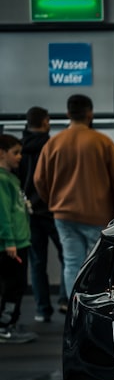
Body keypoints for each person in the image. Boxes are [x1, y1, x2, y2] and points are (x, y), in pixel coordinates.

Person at [33, 94, 114, 296]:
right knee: (97, 264)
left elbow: (39, 180)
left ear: (68, 113)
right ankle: (92, 309)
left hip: (63, 215)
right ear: (90, 114)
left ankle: (73, 308)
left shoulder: (53, 143)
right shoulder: (102, 142)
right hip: (97, 215)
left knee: (72, 262)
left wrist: (54, 201)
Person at [16, 106, 66, 323]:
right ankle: (65, 301)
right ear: (46, 121)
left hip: (29, 213)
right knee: (68, 258)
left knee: (37, 263)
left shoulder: (17, 149)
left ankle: (42, 310)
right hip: (53, 211)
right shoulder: (52, 146)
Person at [0, 135, 37, 344]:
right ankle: (5, 327)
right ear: (1, 153)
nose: (20, 157)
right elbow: (3, 214)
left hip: (19, 241)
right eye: (15, 152)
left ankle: (10, 322)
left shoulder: (10, 178)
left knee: (15, 285)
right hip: (13, 245)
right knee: (13, 286)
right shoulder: (2, 180)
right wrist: (9, 242)